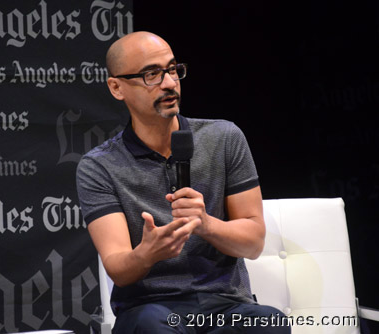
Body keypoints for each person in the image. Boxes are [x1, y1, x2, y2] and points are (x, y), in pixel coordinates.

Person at [76, 31, 290, 333]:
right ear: (116, 87)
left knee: (270, 322)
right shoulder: (99, 165)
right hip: (148, 309)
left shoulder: (224, 138)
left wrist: (205, 223)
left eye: (173, 70)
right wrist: (147, 252)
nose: (168, 83)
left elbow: (254, 242)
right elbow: (118, 268)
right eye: (151, 74)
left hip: (224, 304)